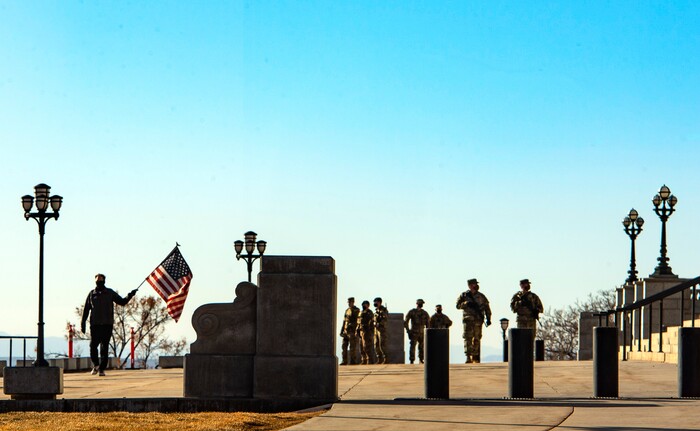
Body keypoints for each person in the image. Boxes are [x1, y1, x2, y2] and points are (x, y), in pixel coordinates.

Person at [80, 273, 137, 376]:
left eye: (101, 281)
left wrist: (130, 295)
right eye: (97, 281)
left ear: (104, 281)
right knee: (93, 346)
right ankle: (96, 365)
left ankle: (102, 368)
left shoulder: (109, 293)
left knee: (104, 347)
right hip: (95, 325)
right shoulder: (92, 294)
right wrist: (82, 323)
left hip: (107, 324)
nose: (99, 282)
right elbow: (86, 310)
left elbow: (122, 302)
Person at [456, 278, 492, 363]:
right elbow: (457, 306)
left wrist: (488, 318)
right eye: (473, 284)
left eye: (475, 284)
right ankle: (468, 356)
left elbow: (487, 308)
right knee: (467, 338)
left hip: (478, 320)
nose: (475, 285)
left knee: (477, 337)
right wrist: (466, 304)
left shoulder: (481, 296)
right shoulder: (464, 295)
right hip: (468, 320)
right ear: (470, 285)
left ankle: (475, 356)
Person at [404, 299, 430, 364]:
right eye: (420, 303)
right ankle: (412, 360)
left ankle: (421, 359)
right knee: (412, 346)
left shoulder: (425, 313)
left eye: (422, 303)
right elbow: (406, 322)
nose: (421, 304)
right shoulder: (412, 312)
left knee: (421, 347)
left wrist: (427, 332)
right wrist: (408, 331)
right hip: (414, 332)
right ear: (417, 303)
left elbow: (428, 323)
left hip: (422, 332)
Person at [339, 297, 360, 365]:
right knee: (344, 347)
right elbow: (344, 321)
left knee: (352, 347)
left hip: (352, 331)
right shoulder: (347, 310)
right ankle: (344, 361)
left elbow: (358, 321)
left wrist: (353, 326)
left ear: (353, 302)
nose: (349, 303)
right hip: (345, 331)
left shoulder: (356, 310)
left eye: (350, 302)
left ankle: (353, 361)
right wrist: (342, 330)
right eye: (348, 302)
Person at [356, 300, 376, 364]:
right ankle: (363, 360)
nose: (363, 305)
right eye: (363, 304)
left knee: (367, 346)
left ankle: (370, 360)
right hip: (361, 331)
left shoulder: (369, 313)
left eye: (365, 304)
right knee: (361, 347)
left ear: (368, 305)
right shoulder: (361, 312)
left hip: (367, 331)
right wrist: (357, 330)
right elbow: (358, 322)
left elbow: (371, 321)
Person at [373, 297, 389, 364]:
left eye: (376, 302)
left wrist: (380, 324)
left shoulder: (384, 310)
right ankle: (379, 358)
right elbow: (374, 319)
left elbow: (385, 319)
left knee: (382, 345)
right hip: (376, 330)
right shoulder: (376, 311)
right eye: (374, 302)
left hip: (382, 330)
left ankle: (386, 359)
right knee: (376, 345)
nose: (375, 303)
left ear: (379, 302)